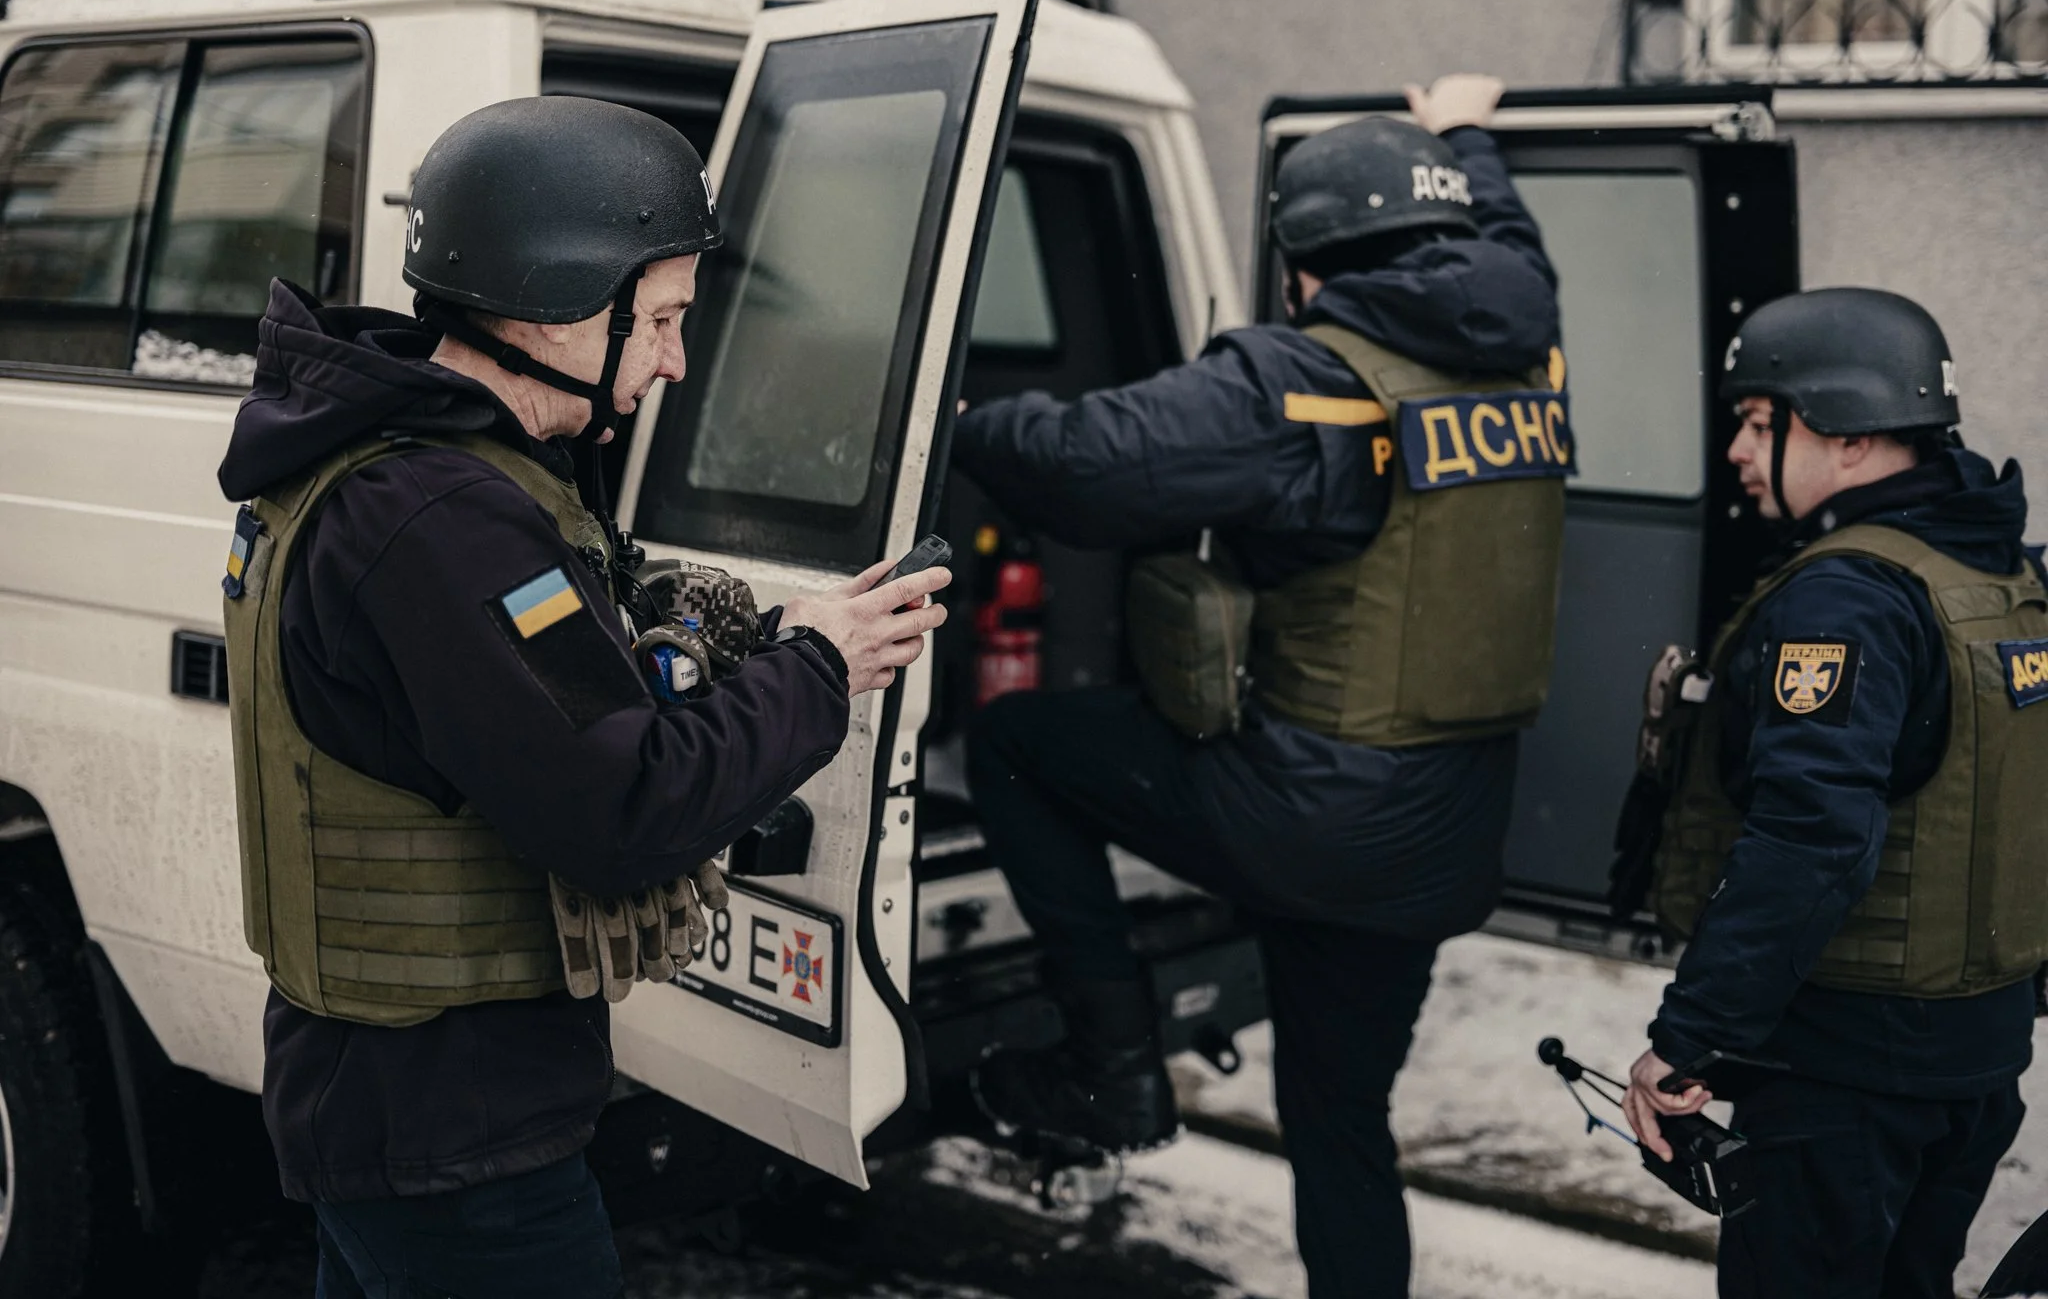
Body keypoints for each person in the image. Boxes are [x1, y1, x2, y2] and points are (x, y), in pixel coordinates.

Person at [216, 95, 949, 1297]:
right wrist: (823, 672)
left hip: (387, 1096)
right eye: (657, 319)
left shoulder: (395, 467)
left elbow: (536, 695)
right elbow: (624, 810)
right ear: (551, 304)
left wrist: (768, 634)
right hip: (459, 1132)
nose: (670, 358)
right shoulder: (442, 521)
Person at [952, 75, 1570, 1299]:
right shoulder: (1524, 339)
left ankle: (1110, 1060)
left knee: (1018, 742)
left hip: (1304, 820)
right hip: (1436, 842)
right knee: (1340, 1122)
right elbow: (1505, 241)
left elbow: (1084, 469)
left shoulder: (1304, 383)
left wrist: (954, 418)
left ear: (1304, 266)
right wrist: (1465, 139)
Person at [1621, 288, 2048, 1299]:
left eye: (1759, 422)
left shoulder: (1846, 596)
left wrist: (1686, 1040)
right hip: (1973, 1063)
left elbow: (1810, 842)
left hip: (1847, 1076)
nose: (1733, 448)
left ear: (1851, 438)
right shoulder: (1997, 573)